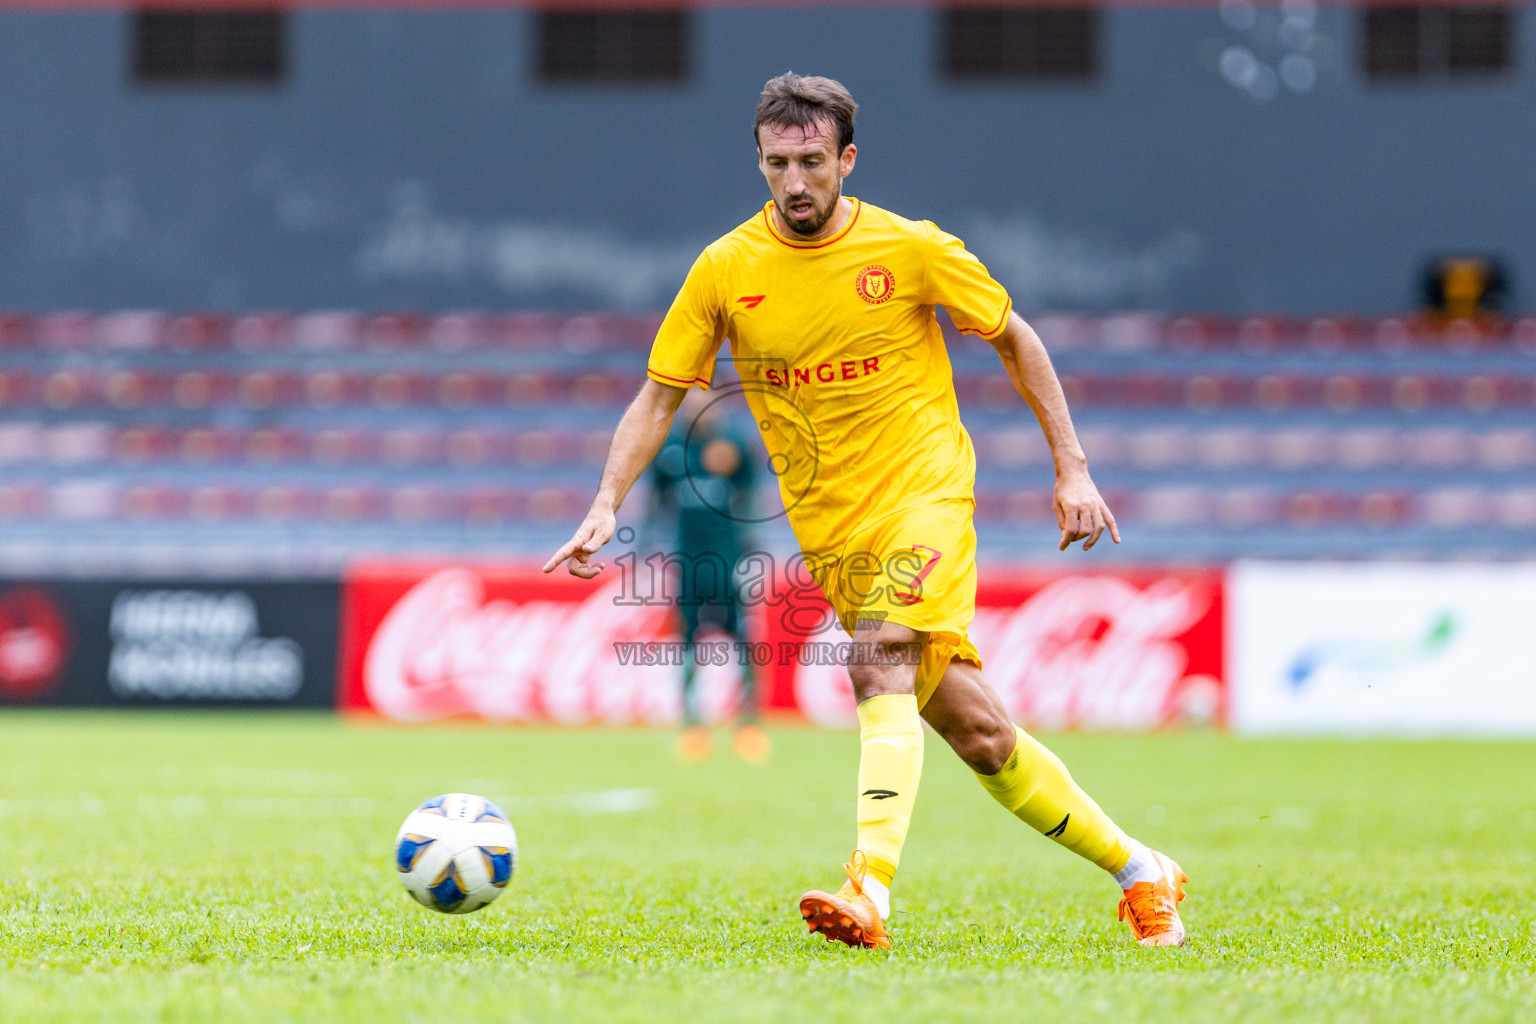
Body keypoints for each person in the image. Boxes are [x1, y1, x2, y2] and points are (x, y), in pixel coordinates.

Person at [544, 72, 1188, 949]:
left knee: (875, 656)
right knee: (981, 735)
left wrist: (1072, 468)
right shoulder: (728, 269)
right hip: (832, 529)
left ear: (847, 158)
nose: (796, 181)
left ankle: (870, 889)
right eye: (778, 163)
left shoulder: (910, 249)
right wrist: (604, 504)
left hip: (923, 496)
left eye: (813, 161)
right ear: (761, 162)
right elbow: (660, 397)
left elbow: (1013, 336)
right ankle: (1143, 871)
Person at [645, 386, 768, 763]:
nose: (698, 403)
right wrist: (646, 550)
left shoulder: (734, 443)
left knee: (745, 642)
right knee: (687, 644)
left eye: (705, 395)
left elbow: (750, 498)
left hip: (730, 563)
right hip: (688, 564)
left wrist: (751, 550)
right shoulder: (668, 448)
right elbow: (656, 503)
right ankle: (692, 726)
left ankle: (748, 725)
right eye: (692, 396)